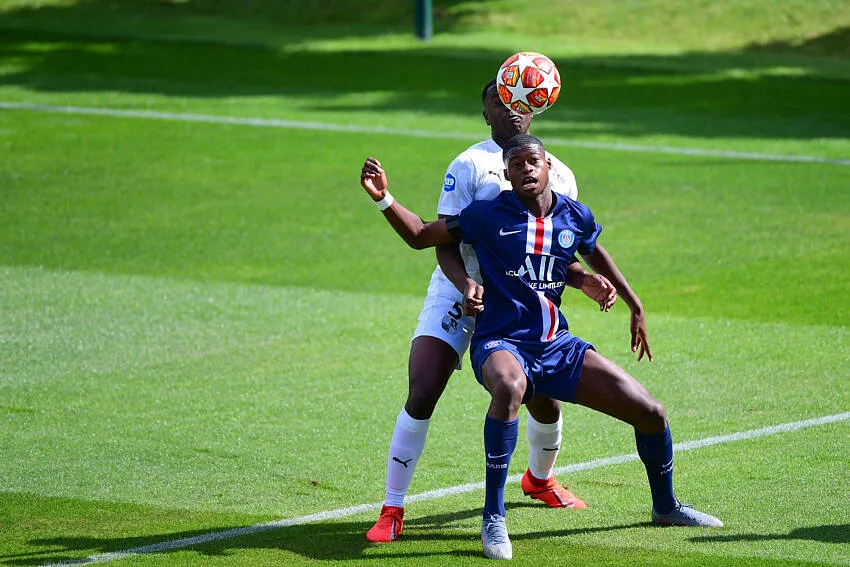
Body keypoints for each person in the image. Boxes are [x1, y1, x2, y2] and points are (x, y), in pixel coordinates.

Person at [359, 134, 722, 560]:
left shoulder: (573, 215)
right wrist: (384, 199)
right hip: (501, 342)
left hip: (555, 345)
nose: (526, 169)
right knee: (509, 387)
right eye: (516, 165)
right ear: (507, 175)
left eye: (533, 161)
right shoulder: (487, 215)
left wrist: (627, 299)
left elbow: (592, 252)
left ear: (548, 166)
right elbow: (422, 235)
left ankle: (666, 506)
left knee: (651, 412)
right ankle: (493, 518)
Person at [366, 78, 653, 543]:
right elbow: (439, 240)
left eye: (519, 100)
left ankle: (540, 480)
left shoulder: (560, 173)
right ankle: (392, 507)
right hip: (460, 290)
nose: (511, 109)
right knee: (424, 387)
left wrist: (587, 282)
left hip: (522, 299)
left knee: (543, 395)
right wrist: (465, 284)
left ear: (535, 105)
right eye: (498, 103)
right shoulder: (470, 164)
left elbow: (558, 249)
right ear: (486, 114)